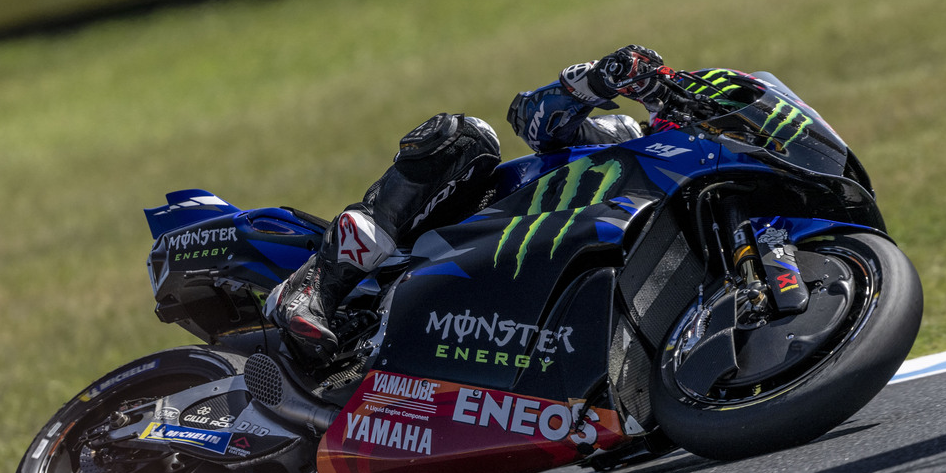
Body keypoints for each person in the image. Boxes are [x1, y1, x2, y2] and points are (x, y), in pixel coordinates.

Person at [266, 44, 669, 362]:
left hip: (526, 305)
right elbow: (531, 119)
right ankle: (318, 283)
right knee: (465, 137)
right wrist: (596, 81)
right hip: (471, 233)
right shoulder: (628, 139)